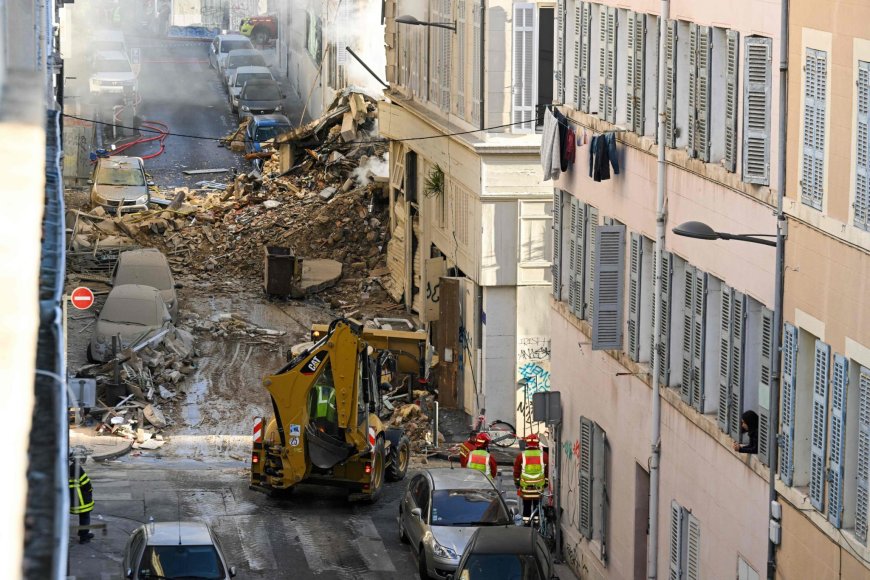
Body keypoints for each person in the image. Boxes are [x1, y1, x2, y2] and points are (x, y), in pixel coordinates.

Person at [513, 434, 550, 520]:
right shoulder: (544, 455)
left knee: (526, 506)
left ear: (526, 443)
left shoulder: (521, 456)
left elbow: (517, 472)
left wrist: (517, 483)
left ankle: (526, 522)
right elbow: (547, 471)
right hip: (539, 488)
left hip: (526, 488)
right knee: (537, 506)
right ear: (538, 443)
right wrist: (546, 483)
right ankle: (536, 521)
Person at [69, 457, 95, 544]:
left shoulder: (60, 468)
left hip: (70, 499)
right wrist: (90, 491)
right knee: (85, 516)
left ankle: (81, 532)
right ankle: (84, 536)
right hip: (82, 499)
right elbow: (86, 483)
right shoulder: (75, 467)